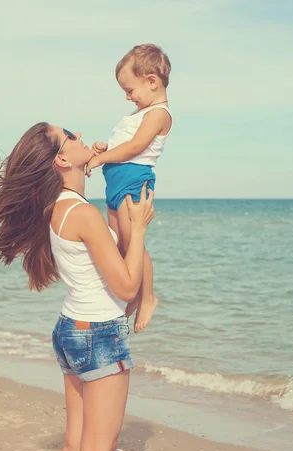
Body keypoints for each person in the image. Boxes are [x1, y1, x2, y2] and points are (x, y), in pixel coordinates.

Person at [0, 123, 154, 451]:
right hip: (98, 335)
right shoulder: (80, 211)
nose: (82, 137)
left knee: (77, 447)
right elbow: (127, 287)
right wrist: (136, 231)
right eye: (70, 135)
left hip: (71, 330)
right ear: (62, 160)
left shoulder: (58, 207)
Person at [86, 43, 172, 333]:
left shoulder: (159, 114)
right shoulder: (137, 115)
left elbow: (135, 147)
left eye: (130, 90)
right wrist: (104, 147)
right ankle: (134, 293)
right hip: (116, 181)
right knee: (122, 243)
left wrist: (101, 158)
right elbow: (122, 144)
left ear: (152, 81)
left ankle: (148, 297)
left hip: (134, 180)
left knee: (134, 239)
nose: (127, 96)